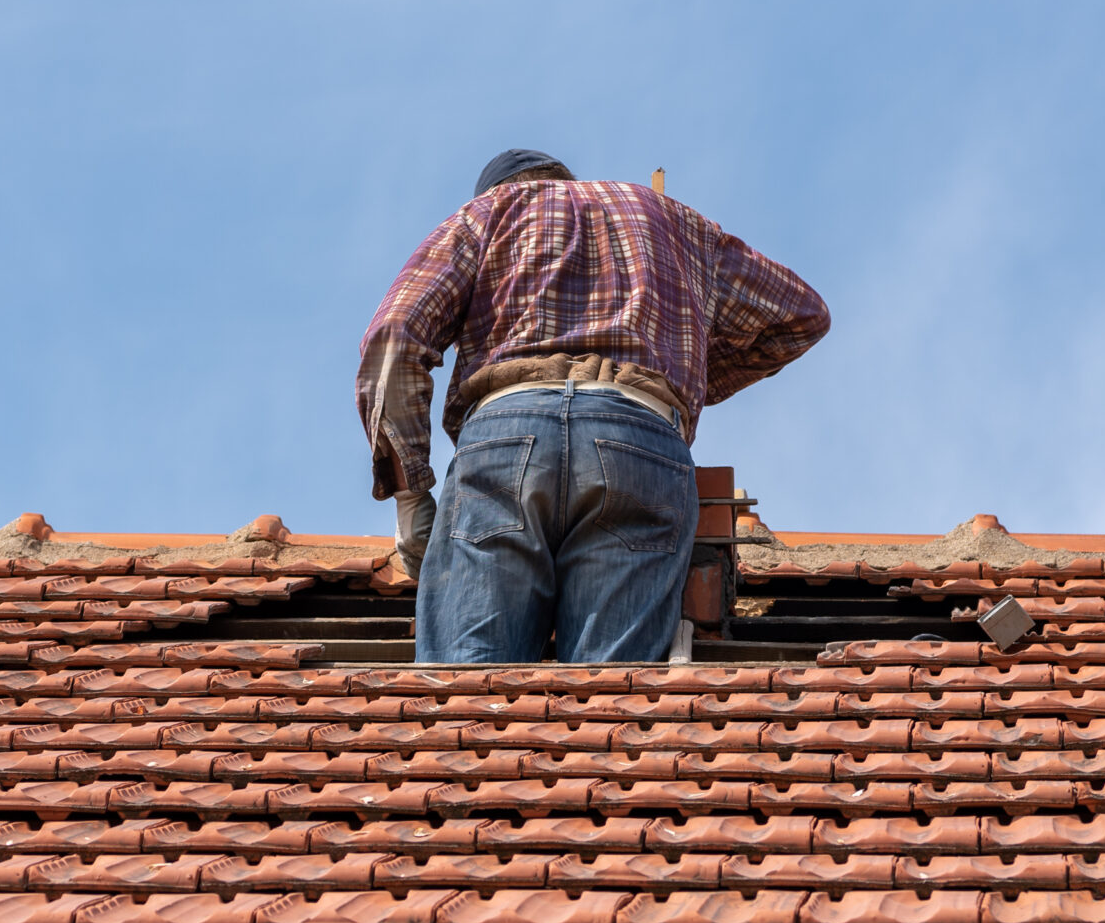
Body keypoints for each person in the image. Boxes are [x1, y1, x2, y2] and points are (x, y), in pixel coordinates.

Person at [356, 150, 830, 663]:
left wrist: (409, 494)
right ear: (565, 179)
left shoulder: (488, 213)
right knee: (610, 698)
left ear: (496, 187)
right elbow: (802, 316)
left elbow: (393, 337)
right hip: (639, 438)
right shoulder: (674, 223)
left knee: (469, 688)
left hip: (507, 433)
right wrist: (676, 378)